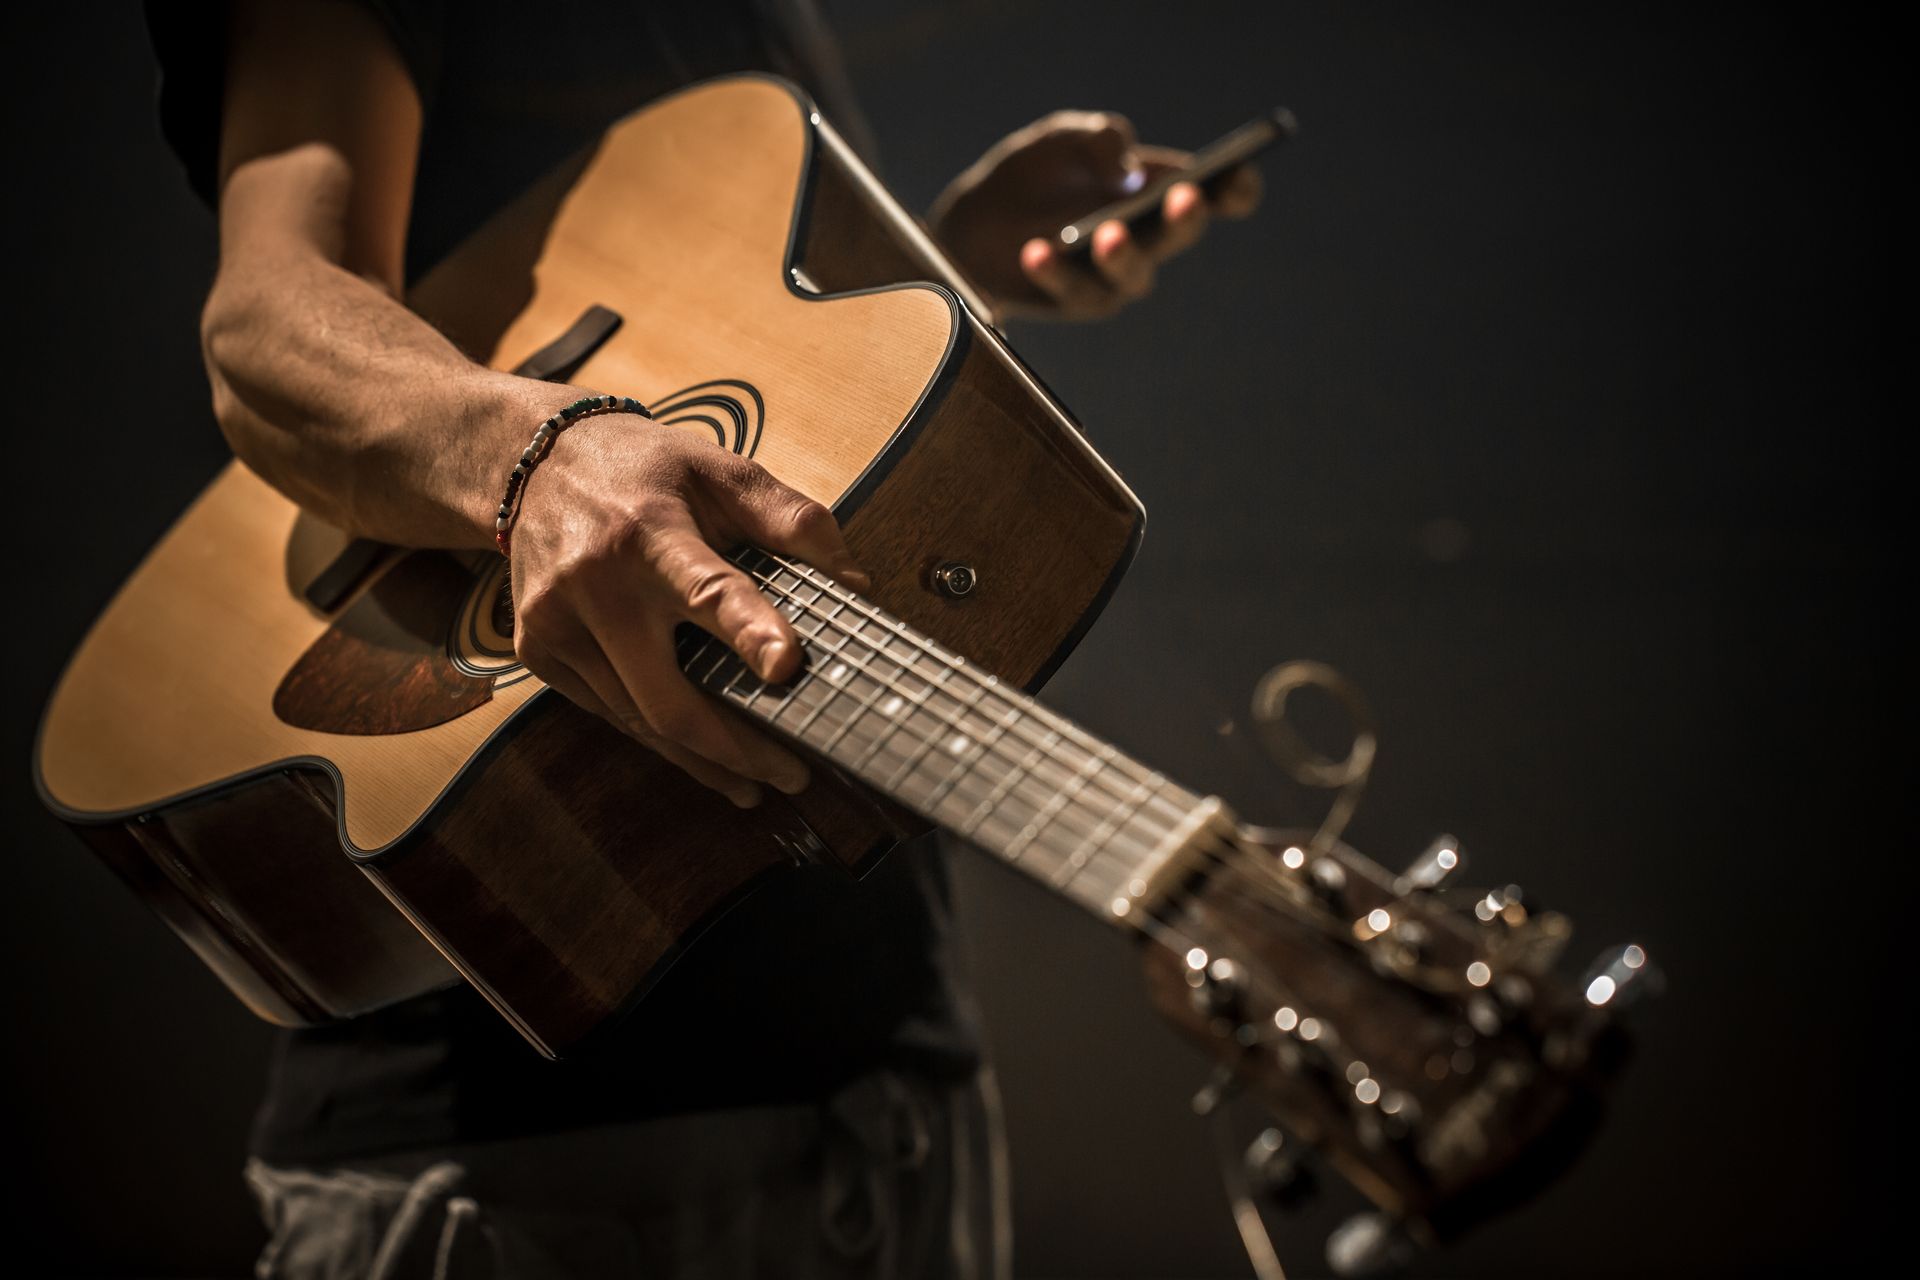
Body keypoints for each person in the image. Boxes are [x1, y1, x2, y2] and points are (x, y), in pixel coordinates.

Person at [144, 1, 1259, 1275]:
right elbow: (269, 326)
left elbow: (690, 362)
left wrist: (928, 270)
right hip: (519, 1152)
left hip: (901, 1090)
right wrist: (537, 457)